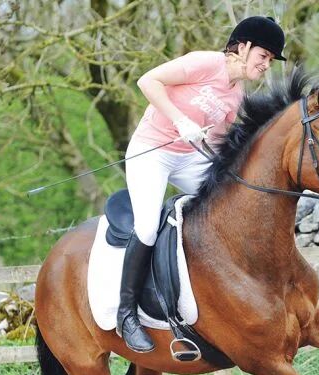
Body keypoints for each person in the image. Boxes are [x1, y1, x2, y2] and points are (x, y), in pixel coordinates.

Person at [117, 16, 287, 353]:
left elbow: (216, 143)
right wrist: (180, 120)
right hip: (152, 152)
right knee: (147, 226)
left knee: (226, 208)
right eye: (264, 56)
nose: (266, 65)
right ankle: (127, 315)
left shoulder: (236, 95)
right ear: (243, 47)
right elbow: (147, 80)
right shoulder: (204, 63)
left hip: (188, 159)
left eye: (270, 60)